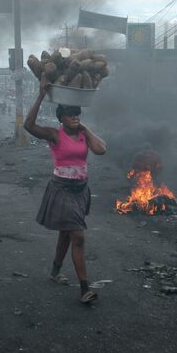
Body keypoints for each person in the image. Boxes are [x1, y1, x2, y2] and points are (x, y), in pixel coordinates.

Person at [24, 73, 107, 304]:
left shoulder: (83, 134)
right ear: (61, 117)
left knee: (66, 233)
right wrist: (41, 94)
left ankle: (55, 270)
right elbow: (28, 125)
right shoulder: (54, 134)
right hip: (62, 190)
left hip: (81, 190)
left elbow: (101, 149)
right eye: (70, 114)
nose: (75, 117)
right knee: (77, 236)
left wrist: (85, 128)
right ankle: (84, 288)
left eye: (77, 114)